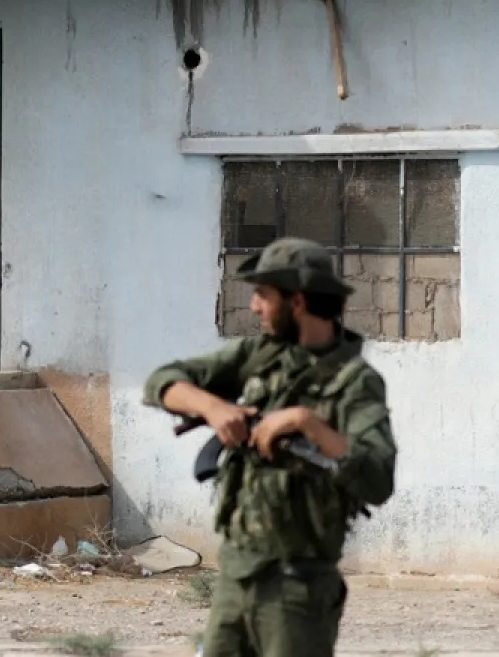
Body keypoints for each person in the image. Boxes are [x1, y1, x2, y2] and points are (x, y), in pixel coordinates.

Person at [143, 237, 397, 657]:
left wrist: (306, 423)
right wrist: (211, 407)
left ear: (296, 302)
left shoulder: (354, 382)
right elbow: (162, 382)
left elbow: (377, 479)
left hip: (298, 588)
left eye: (263, 295)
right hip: (236, 575)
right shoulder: (259, 357)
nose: (254, 307)